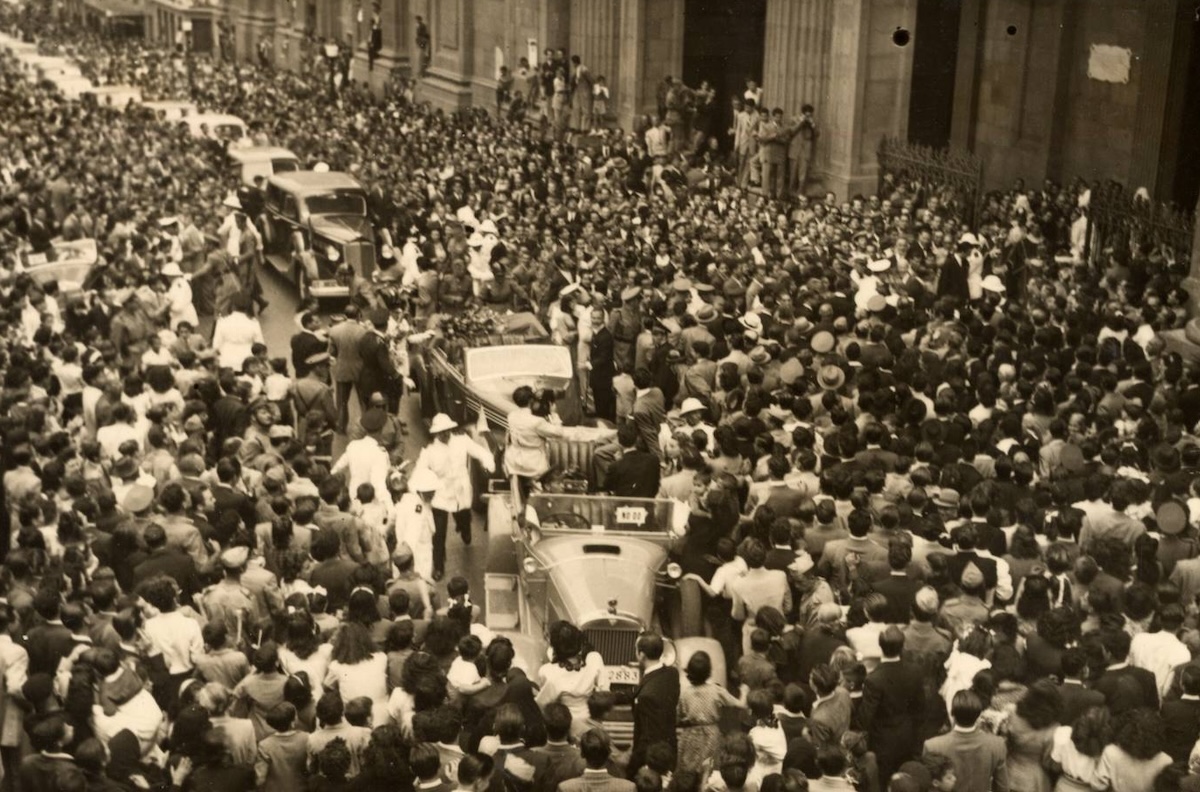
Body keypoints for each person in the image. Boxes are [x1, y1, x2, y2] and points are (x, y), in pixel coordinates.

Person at [413, 413, 495, 576]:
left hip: (460, 492)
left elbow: (481, 452)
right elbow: (418, 471)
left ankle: (465, 529)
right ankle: (438, 566)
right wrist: (413, 491)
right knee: (438, 532)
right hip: (440, 495)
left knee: (464, 519)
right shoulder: (429, 451)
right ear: (436, 433)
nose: (445, 434)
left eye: (447, 430)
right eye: (441, 432)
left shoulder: (462, 441)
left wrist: (488, 464)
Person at [922, 691, 1008, 792]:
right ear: (978, 715)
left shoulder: (932, 746)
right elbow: (1002, 787)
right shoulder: (997, 744)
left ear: (952, 713)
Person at [626, 633, 679, 778]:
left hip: (654, 760)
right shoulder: (672, 673)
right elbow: (643, 687)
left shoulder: (646, 697)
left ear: (641, 655)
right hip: (670, 747)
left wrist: (631, 766)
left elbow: (647, 739)